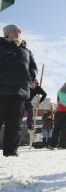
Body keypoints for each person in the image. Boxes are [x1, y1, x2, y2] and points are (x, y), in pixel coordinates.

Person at [0, 24, 38, 157]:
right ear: (7, 34)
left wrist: (32, 78)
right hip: (2, 89)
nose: (17, 33)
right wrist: (10, 46)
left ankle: (11, 152)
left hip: (20, 90)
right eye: (14, 31)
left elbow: (33, 68)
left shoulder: (27, 51)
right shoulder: (1, 45)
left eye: (19, 32)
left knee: (14, 123)